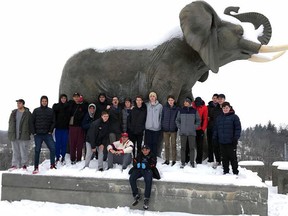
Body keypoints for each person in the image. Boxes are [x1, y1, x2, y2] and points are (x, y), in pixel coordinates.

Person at [128, 144, 160, 210]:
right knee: (132, 178)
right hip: (139, 169)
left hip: (148, 170)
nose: (145, 151)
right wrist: (137, 164)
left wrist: (146, 166)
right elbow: (135, 161)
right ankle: (136, 195)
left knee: (148, 180)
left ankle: (146, 199)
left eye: (146, 150)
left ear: (149, 150)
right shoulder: (140, 154)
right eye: (143, 150)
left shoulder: (152, 155)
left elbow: (153, 164)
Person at [213, 102, 241, 175]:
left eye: (226, 108)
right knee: (224, 158)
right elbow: (216, 129)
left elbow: (238, 129)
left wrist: (235, 138)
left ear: (229, 108)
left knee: (233, 158)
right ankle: (225, 171)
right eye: (224, 108)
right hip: (222, 141)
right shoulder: (219, 118)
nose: (225, 109)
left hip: (231, 142)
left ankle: (235, 172)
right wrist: (215, 138)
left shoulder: (234, 117)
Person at [31, 95, 56, 174]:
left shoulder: (51, 111)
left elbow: (54, 122)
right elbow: (31, 122)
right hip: (38, 134)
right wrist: (34, 132)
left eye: (45, 101)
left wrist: (50, 131)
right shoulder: (36, 110)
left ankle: (52, 165)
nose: (44, 102)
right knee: (37, 150)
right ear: (40, 102)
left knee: (52, 149)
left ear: (47, 102)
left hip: (47, 134)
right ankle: (36, 167)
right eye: (43, 101)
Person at [176, 97, 200, 168]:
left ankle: (192, 162)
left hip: (191, 133)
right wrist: (181, 127)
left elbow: (198, 121)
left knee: (192, 148)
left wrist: (194, 127)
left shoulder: (194, 111)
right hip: (183, 132)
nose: (185, 103)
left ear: (189, 103)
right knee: (183, 148)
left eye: (186, 102)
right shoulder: (181, 110)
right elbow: (177, 120)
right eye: (184, 102)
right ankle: (183, 162)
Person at [8, 99, 32, 171]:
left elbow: (30, 124)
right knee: (15, 152)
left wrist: (29, 133)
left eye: (20, 103)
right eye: (17, 103)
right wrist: (10, 132)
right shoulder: (14, 113)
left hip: (24, 135)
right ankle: (14, 165)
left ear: (23, 104)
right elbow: (10, 123)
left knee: (23, 152)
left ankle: (24, 165)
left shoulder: (28, 113)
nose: (18, 104)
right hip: (14, 135)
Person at [68, 92, 88, 164]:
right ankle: (72, 159)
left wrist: (81, 103)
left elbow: (86, 109)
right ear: (73, 98)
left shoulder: (83, 105)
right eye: (75, 97)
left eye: (77, 97)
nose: (76, 98)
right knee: (72, 143)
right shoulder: (71, 104)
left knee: (79, 144)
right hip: (72, 126)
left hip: (80, 127)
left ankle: (79, 159)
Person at [161, 95, 179, 166]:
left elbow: (178, 119)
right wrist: (163, 125)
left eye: (172, 100)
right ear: (167, 101)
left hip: (173, 130)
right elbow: (162, 117)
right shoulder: (165, 108)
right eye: (169, 100)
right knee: (166, 145)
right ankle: (167, 160)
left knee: (173, 145)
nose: (170, 102)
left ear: (174, 101)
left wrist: (176, 127)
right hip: (165, 129)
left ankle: (174, 160)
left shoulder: (177, 109)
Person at [52, 94, 70, 164]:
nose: (63, 99)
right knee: (57, 143)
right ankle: (57, 156)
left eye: (64, 98)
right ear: (60, 99)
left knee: (64, 143)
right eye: (62, 98)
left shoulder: (68, 106)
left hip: (65, 128)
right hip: (58, 128)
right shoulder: (56, 106)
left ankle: (63, 156)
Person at [144, 92, 163, 157]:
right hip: (148, 127)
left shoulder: (160, 106)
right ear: (149, 98)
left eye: (153, 96)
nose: (152, 97)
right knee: (148, 143)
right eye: (151, 96)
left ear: (156, 97)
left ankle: (153, 157)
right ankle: (147, 156)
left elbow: (161, 116)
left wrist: (159, 125)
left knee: (154, 143)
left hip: (156, 128)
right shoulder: (146, 105)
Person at [211, 93, 226, 168]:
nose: (220, 100)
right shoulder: (215, 109)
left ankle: (224, 161)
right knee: (215, 146)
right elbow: (212, 119)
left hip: (224, 130)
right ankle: (218, 161)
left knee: (223, 147)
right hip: (216, 130)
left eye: (221, 99)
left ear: (224, 100)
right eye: (218, 99)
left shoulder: (227, 108)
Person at [192, 97, 208, 164]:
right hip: (192, 129)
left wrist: (203, 129)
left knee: (200, 145)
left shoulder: (204, 107)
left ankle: (199, 160)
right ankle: (190, 159)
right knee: (191, 145)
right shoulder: (192, 106)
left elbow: (205, 119)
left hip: (200, 129)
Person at [206, 93, 219, 163]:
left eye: (216, 98)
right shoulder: (208, 107)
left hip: (217, 128)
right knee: (210, 144)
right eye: (213, 98)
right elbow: (206, 116)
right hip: (210, 127)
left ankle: (218, 159)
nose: (215, 99)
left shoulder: (220, 107)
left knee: (216, 144)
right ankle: (210, 159)